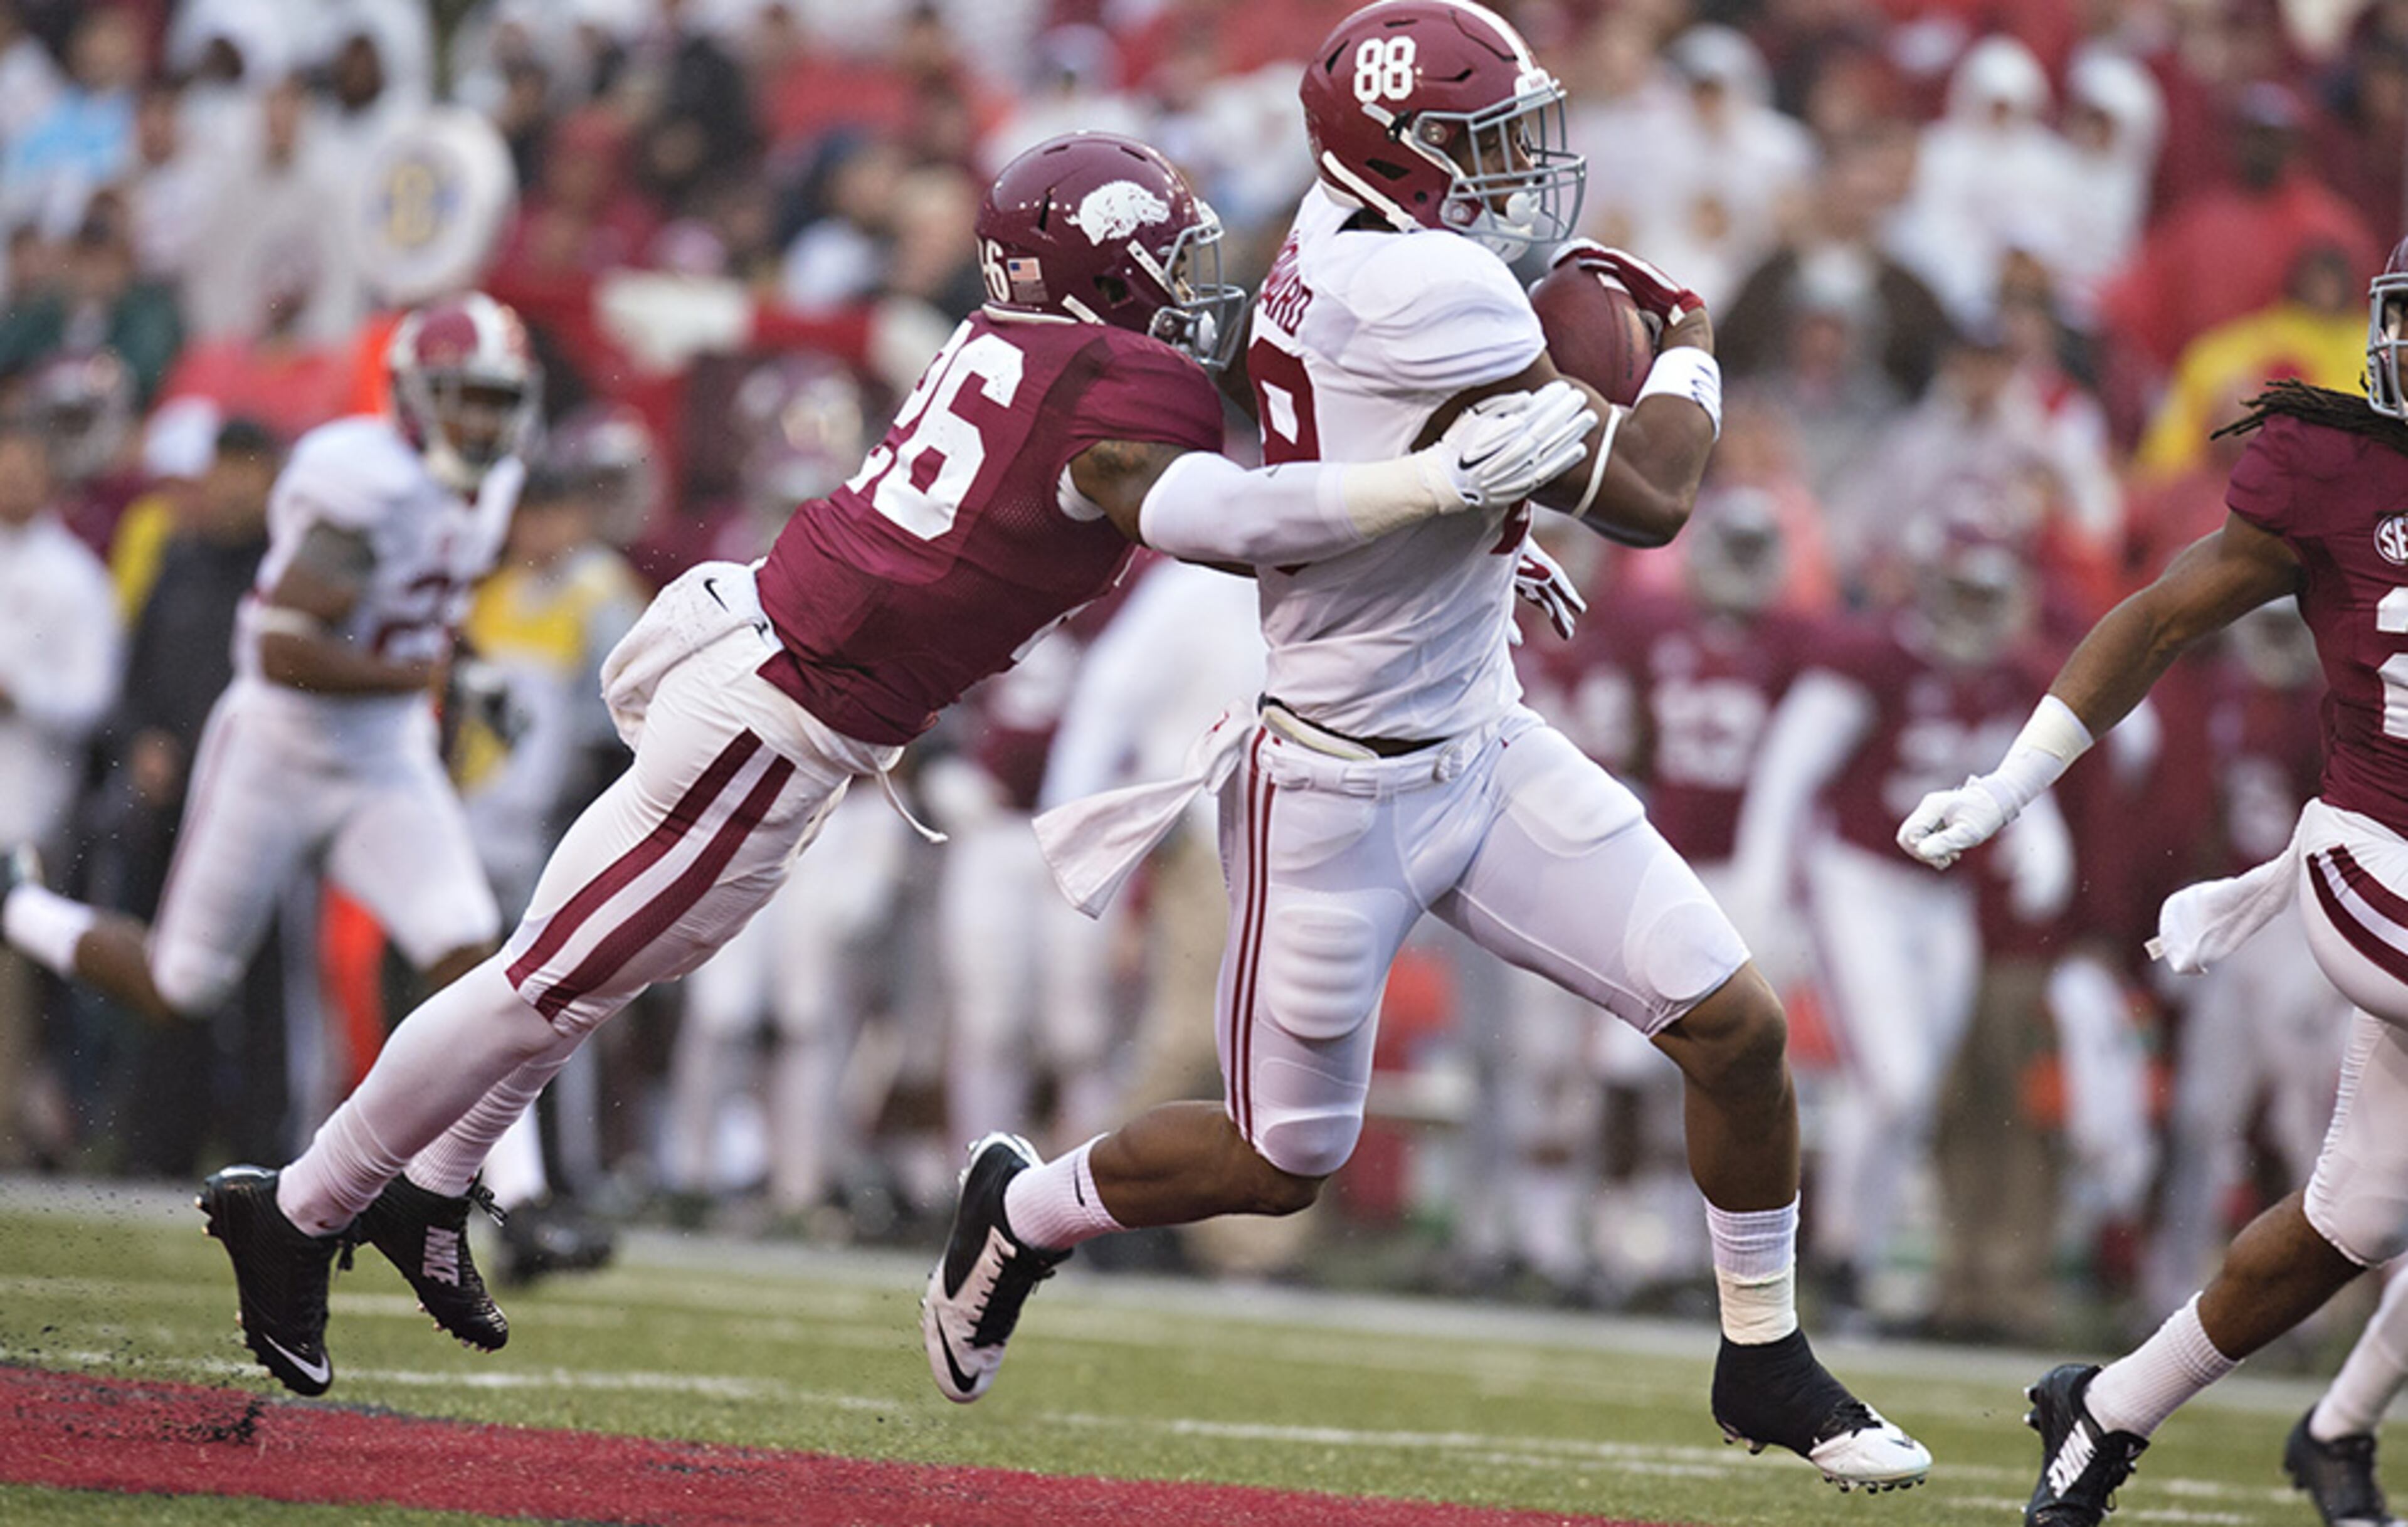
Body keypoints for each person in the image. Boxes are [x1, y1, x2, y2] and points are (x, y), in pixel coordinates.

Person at [181, 130, 1597, 1397]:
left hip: (780, 676)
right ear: (1099, 277)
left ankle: (427, 1190)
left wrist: (1446, 554)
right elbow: (1220, 519)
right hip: (783, 701)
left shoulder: (1028, 347)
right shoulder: (1118, 385)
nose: (1188, 290)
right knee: (540, 981)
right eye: (1164, 263)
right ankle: (303, 1205)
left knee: (579, 982)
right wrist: (1435, 487)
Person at [926, 4, 1931, 1494]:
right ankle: (1028, 1211)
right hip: (1331, 787)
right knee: (1279, 1166)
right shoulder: (1425, 288)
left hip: (1480, 740)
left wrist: (1490, 543)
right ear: (1392, 155)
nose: (1517, 170)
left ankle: (1764, 1357)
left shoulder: (1344, 245)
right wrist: (1694, 354)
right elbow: (1655, 496)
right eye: (1482, 144)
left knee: (1736, 1029)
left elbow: (1404, 462)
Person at [1897, 236, 2408, 1526]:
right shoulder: (2335, 467)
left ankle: (2109, 1412)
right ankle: (2336, 1428)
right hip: (2370, 855)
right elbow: (2161, 615)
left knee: (2353, 1213)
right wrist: (2010, 786)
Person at [1, 290, 534, 1272]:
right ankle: (18, 904)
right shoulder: (357, 481)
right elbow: (285, 649)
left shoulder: (490, 488)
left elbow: (419, 608)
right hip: (282, 745)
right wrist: (421, 677)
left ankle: (527, 1207)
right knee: (181, 982)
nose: (483, 424)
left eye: (498, 401)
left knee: (475, 959)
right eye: (463, 398)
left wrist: (465, 672)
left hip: (383, 755)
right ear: (415, 397)